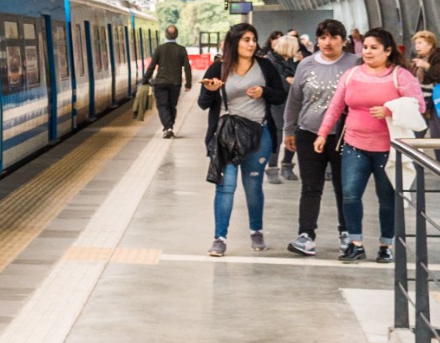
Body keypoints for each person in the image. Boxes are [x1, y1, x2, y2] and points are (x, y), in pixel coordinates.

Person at [316, 27, 427, 263]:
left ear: (388, 51)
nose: (367, 51)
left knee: (387, 198)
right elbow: (335, 106)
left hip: (388, 147)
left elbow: (419, 105)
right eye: (365, 47)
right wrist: (323, 133)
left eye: (374, 48)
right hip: (354, 144)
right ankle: (355, 243)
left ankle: (386, 244)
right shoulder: (352, 74)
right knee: (350, 194)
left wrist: (388, 109)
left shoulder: (400, 76)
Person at [201, 21, 288, 256]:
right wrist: (210, 91)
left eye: (253, 39)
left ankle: (256, 230)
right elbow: (202, 104)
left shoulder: (265, 66)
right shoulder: (218, 68)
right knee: (225, 187)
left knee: (253, 186)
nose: (251, 44)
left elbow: (281, 96)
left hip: (258, 136)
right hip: (226, 138)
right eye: (246, 40)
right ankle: (219, 238)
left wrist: (264, 92)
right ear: (234, 42)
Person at [274, 19, 358, 257]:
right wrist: (288, 130)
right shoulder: (306, 65)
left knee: (345, 187)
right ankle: (306, 235)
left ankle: (347, 233)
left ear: (343, 41)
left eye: (333, 37)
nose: (327, 42)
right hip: (308, 133)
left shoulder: (355, 64)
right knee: (310, 187)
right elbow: (295, 100)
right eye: (322, 38)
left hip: (344, 136)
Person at [410, 30, 440, 160]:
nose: (417, 46)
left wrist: (426, 66)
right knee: (416, 134)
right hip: (421, 102)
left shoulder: (439, 58)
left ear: (430, 44)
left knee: (437, 135)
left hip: (435, 102)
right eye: (415, 43)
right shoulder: (419, 59)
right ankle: (413, 164)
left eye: (420, 43)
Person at [145, 24, 192, 137]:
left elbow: (151, 66)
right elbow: (187, 67)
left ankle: (168, 127)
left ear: (165, 34)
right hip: (175, 83)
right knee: (172, 106)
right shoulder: (181, 49)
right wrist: (188, 83)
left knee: (162, 105)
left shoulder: (160, 49)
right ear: (176, 35)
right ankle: (170, 126)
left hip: (160, 82)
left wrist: (145, 80)